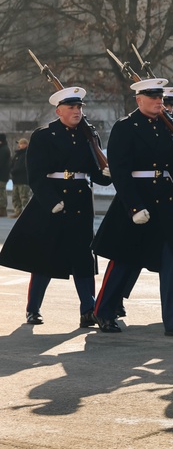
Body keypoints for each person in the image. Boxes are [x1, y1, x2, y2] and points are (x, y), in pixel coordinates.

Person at [92, 78, 173, 336]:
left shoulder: (166, 127)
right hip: (137, 200)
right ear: (139, 100)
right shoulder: (125, 127)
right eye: (152, 98)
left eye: (160, 98)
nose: (158, 102)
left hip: (164, 202)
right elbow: (119, 171)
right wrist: (133, 207)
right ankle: (104, 311)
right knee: (124, 261)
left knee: (172, 262)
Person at [0, 87, 112, 326]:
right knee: (45, 257)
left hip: (80, 201)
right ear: (58, 111)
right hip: (52, 200)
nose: (77, 111)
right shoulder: (43, 135)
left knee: (83, 257)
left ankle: (88, 309)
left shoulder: (88, 135)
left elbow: (96, 174)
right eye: (71, 107)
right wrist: (51, 202)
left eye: (79, 107)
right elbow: (36, 176)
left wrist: (107, 173)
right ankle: (33, 308)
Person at [10, 138, 31, 218]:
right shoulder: (17, 154)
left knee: (24, 197)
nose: (21, 145)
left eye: (22, 143)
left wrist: (15, 170)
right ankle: (18, 211)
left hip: (23, 179)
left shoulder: (27, 153)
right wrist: (11, 170)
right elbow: (12, 164)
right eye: (20, 143)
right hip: (15, 179)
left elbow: (23, 166)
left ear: (26, 144)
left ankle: (26, 214)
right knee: (15, 197)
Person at [0, 133, 10, 216]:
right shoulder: (4, 149)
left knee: (1, 192)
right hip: (3, 175)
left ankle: (2, 210)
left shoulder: (3, 150)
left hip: (2, 176)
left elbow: (1, 163)